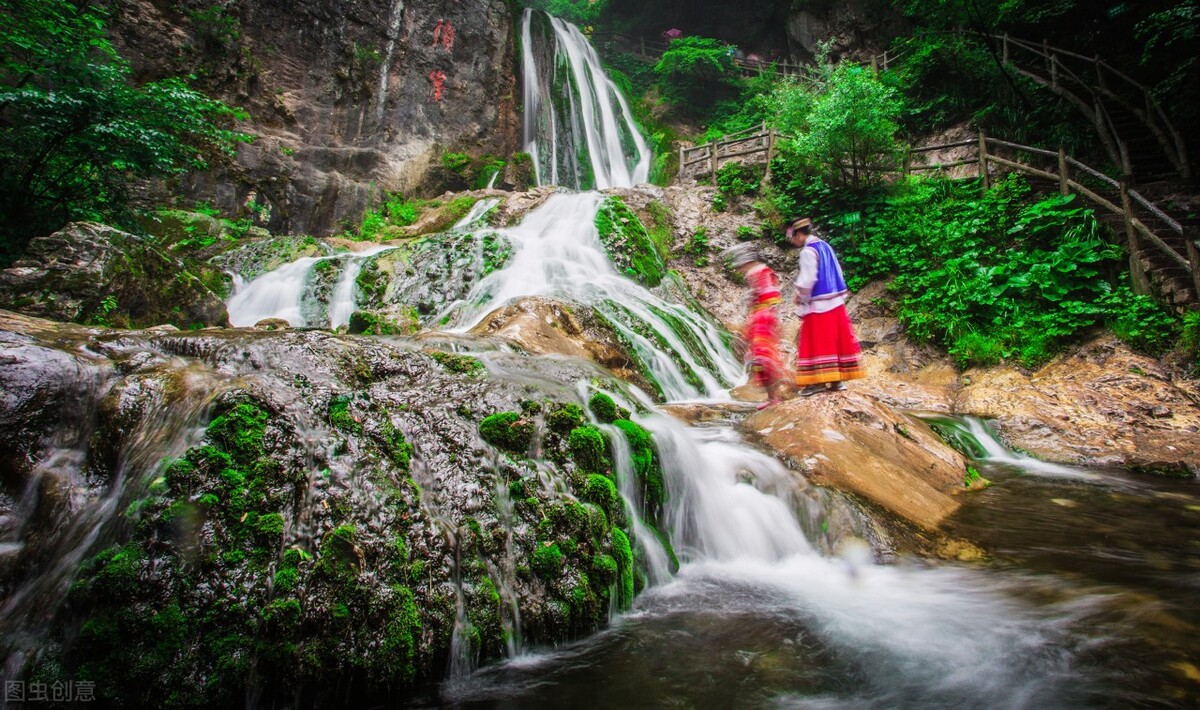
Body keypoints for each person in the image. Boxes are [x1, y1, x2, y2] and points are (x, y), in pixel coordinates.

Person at [785, 217, 865, 395]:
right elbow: (838, 271)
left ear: (798, 234)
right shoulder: (825, 246)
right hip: (836, 303)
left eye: (791, 237)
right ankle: (837, 380)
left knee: (818, 341)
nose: (792, 241)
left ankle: (817, 381)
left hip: (819, 305)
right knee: (835, 340)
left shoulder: (808, 251)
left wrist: (800, 297)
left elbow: (808, 280)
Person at [725, 244, 789, 408]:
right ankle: (774, 394)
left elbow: (771, 297)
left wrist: (763, 317)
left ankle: (776, 394)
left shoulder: (760, 272)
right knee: (761, 359)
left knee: (763, 358)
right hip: (760, 318)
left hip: (763, 320)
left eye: (740, 265)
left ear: (746, 262)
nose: (739, 269)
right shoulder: (757, 273)